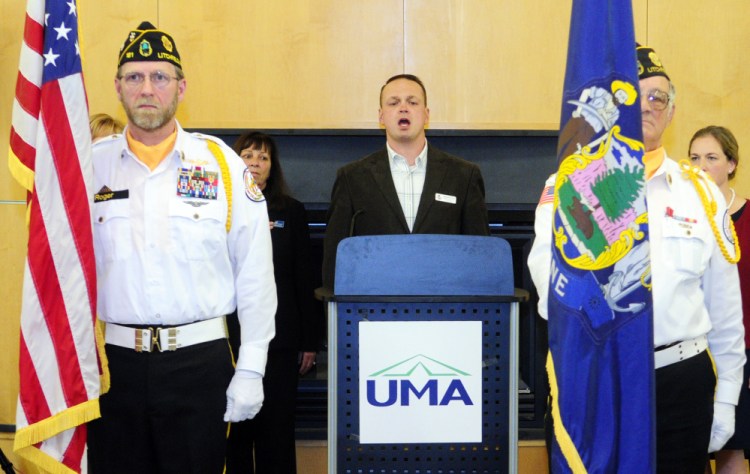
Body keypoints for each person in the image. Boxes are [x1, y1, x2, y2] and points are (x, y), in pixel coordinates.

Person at [527, 45, 746, 473]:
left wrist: (726, 399)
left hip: (680, 383)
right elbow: (547, 285)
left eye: (658, 97)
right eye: (635, 94)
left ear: (671, 110)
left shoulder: (700, 194)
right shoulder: (568, 185)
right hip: (601, 376)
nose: (646, 107)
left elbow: (725, 309)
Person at [86, 22, 277, 473]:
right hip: (112, 370)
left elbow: (255, 273)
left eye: (159, 77)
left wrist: (251, 366)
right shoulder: (89, 167)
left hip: (199, 366)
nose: (147, 88)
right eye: (134, 77)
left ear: (181, 87)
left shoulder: (222, 166)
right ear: (117, 87)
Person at [322, 74, 490, 289]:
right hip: (373, 307)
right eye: (393, 103)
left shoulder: (464, 176)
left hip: (447, 306)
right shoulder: (351, 178)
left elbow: (481, 255)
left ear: (426, 115)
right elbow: (334, 259)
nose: (403, 108)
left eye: (412, 102)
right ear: (381, 116)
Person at [225, 132, 323, 474]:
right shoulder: (218, 206)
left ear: (272, 167)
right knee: (234, 433)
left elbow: (303, 278)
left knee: (277, 431)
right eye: (248, 155)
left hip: (281, 342)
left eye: (263, 158)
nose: (255, 163)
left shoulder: (290, 211)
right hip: (228, 341)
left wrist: (310, 341)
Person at [689, 126, 750, 473]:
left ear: (731, 164)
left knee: (732, 445)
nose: (702, 166)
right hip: (696, 351)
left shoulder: (747, 216)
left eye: (712, 158)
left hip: (742, 351)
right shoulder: (683, 219)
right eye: (695, 158)